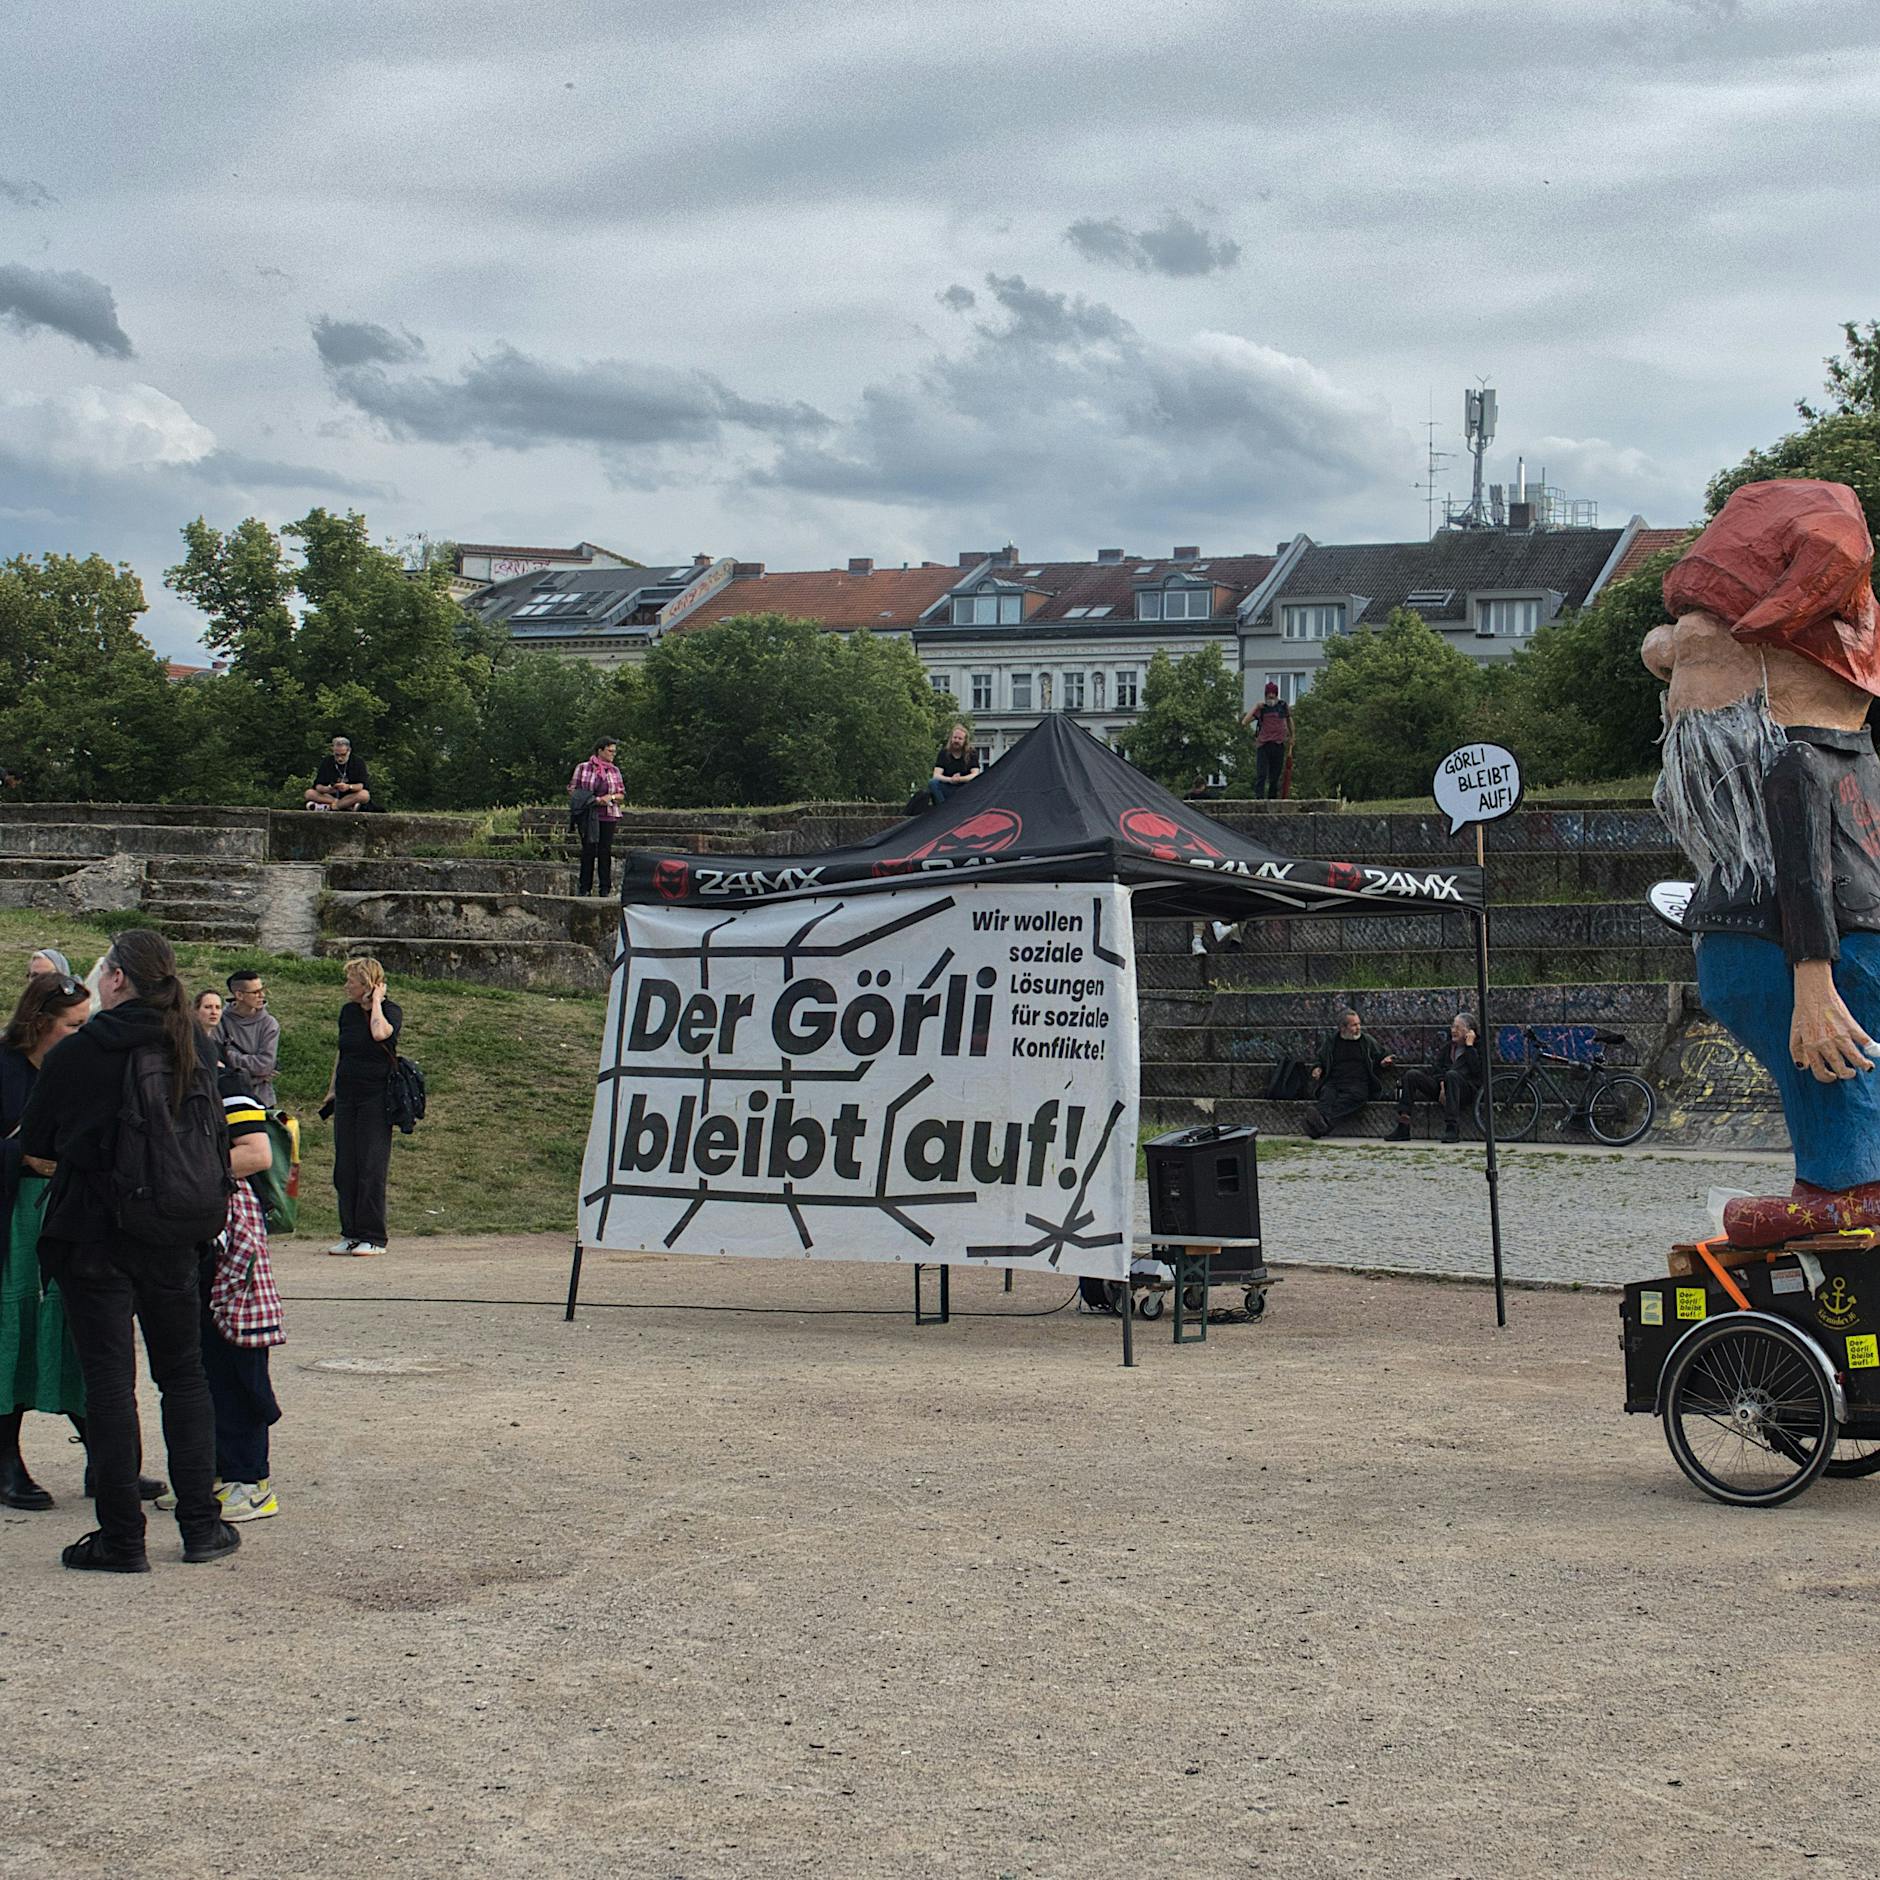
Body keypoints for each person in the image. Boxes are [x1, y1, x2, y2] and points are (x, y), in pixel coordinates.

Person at [1642, 478, 1880, 1246]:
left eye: (1698, 652)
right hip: (1814, 941)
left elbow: (1806, 876)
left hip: (1812, 952)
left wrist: (1813, 982)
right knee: (1834, 1066)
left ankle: (1848, 1184)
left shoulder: (1795, 766)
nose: (1671, 679)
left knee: (1832, 1056)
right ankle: (1836, 1177)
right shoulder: (1842, 762)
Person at [19, 929, 240, 1571]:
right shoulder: (193, 1041)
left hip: (93, 1235)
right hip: (172, 1230)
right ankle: (201, 1525)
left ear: (115, 980)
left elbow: (38, 1148)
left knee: (111, 1387)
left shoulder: (77, 1054)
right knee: (184, 1376)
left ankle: (123, 1538)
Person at [1, 973, 93, 1510]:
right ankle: (6, 1461)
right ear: (39, 1022)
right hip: (12, 1216)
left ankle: (105, 1460)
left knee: (81, 1326)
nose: (82, 1036)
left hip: (70, 1211)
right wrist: (24, 1158)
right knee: (12, 1328)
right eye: (73, 1026)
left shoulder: (80, 1068)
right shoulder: (5, 1066)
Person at [322, 956, 401, 1257]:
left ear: (366, 984)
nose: (346, 986)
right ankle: (350, 1232)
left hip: (375, 1096)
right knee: (345, 1166)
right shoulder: (347, 1012)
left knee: (370, 1165)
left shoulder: (390, 1011)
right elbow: (342, 1052)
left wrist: (377, 1002)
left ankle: (373, 1236)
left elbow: (380, 1033)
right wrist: (332, 1089)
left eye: (351, 981)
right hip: (347, 1094)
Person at [1389, 1013, 1482, 1144]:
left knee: (1452, 1075)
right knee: (1412, 1075)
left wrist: (1469, 1047)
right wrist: (1443, 1085)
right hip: (1444, 1087)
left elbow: (1477, 1071)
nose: (1453, 1031)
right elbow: (1436, 1070)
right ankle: (1403, 1125)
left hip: (1465, 1091)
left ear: (1469, 1031)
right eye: (1452, 1027)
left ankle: (1452, 1128)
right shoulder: (1448, 1048)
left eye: (1458, 1028)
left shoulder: (1478, 1048)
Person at [1303, 1009, 1395, 1139]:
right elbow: (1320, 1059)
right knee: (1327, 1095)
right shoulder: (1332, 1042)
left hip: (1357, 1083)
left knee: (1353, 1098)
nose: (1358, 1028)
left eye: (1358, 1024)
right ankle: (1321, 1126)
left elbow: (1383, 1054)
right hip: (1334, 1081)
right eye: (1354, 1025)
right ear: (1342, 1028)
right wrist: (1317, 1068)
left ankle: (1320, 1124)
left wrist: (1384, 1061)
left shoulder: (1366, 1041)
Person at [568, 737, 625, 898]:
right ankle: (584, 887)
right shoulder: (583, 768)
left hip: (608, 814)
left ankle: (604, 888)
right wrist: (590, 799)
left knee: (604, 851)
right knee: (588, 850)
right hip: (588, 814)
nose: (613, 754)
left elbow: (621, 794)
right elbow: (573, 789)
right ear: (600, 750)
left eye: (614, 751)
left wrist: (610, 797)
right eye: (610, 751)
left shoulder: (614, 771)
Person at [217, 969, 279, 1108]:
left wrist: (228, 1056)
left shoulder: (269, 1024)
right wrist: (260, 1077)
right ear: (239, 995)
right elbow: (214, 1061)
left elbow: (265, 1065)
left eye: (262, 990)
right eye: (255, 992)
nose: (262, 995)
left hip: (262, 1099)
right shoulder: (219, 1021)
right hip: (228, 1099)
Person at [1243, 683, 1293, 800]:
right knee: (1261, 774)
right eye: (1269, 696)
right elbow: (1244, 722)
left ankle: (1272, 798)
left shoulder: (1282, 706)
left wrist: (1292, 736)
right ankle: (1259, 798)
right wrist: (1256, 707)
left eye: (1273, 695)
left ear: (1276, 695)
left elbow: (1289, 720)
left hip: (1278, 744)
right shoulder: (1262, 709)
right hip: (1264, 745)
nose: (1271, 698)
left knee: (1275, 776)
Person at [304, 735, 371, 811]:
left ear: (349, 751)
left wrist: (348, 787)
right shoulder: (327, 762)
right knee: (309, 793)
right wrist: (328, 789)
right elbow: (318, 786)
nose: (340, 758)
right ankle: (345, 806)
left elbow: (361, 785)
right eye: (337, 755)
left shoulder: (358, 762)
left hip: (350, 794)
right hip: (330, 796)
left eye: (343, 755)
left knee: (364, 795)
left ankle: (331, 807)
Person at [929, 725, 980, 805]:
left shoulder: (971, 753)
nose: (956, 740)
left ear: (965, 741)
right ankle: (943, 809)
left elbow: (975, 774)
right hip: (948, 787)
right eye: (955, 738)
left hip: (965, 788)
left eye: (960, 739)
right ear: (951, 738)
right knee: (933, 783)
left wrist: (960, 779)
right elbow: (936, 775)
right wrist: (950, 779)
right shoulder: (944, 753)